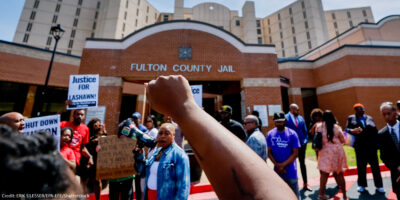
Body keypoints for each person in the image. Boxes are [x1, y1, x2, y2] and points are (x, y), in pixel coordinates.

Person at [146, 75, 297, 199]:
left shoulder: (239, 128)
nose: (223, 115)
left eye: (226, 113)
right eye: (222, 113)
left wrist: (184, 107)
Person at [0, 125, 83, 196]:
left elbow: (73, 166)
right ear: (60, 135)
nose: (67, 138)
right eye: (65, 135)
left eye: (69, 136)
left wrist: (61, 158)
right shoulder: (47, 147)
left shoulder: (69, 151)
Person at [137, 123, 190, 200]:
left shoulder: (180, 156)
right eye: (160, 133)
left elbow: (183, 187)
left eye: (167, 133)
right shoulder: (155, 152)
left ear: (173, 135)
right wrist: (140, 154)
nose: (162, 136)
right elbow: (142, 171)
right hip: (149, 195)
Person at [345, 103, 384, 193]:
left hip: (371, 147)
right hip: (360, 147)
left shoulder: (369, 118)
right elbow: (346, 130)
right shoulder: (351, 118)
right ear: (355, 110)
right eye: (358, 109)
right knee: (361, 167)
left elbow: (375, 130)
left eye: (362, 108)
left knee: (375, 167)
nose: (361, 110)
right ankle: (362, 185)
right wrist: (352, 130)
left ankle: (379, 186)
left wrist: (378, 144)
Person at [315, 110, 348, 200]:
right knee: (339, 174)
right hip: (337, 152)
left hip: (324, 152)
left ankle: (321, 194)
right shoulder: (336, 127)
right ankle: (345, 196)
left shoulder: (319, 127)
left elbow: (317, 139)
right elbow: (343, 140)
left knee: (324, 174)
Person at [267, 112, 300, 199]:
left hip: (291, 171)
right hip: (277, 171)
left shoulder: (292, 134)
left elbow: (295, 153)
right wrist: (277, 165)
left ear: (284, 121)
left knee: (294, 195)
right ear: (274, 122)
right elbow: (268, 152)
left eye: (281, 121)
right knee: (280, 196)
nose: (279, 123)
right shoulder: (270, 134)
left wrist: (283, 165)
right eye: (277, 121)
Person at [285, 104, 311, 191]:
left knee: (302, 164)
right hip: (291, 146)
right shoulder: (285, 118)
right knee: (291, 164)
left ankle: (305, 184)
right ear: (291, 109)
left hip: (302, 145)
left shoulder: (301, 118)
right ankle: (291, 185)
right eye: (297, 109)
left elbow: (305, 131)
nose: (298, 111)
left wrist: (305, 141)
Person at [378, 102, 400, 199]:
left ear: (395, 113)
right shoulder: (382, 134)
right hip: (397, 174)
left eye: (389, 113)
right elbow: (384, 156)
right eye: (384, 114)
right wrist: (397, 168)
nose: (386, 116)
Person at [86, 118, 107, 200]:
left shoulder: (102, 133)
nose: (97, 126)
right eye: (95, 124)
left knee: (97, 181)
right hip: (87, 159)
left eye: (99, 124)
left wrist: (104, 131)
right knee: (85, 180)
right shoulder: (88, 133)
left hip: (98, 160)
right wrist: (93, 140)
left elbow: (107, 142)